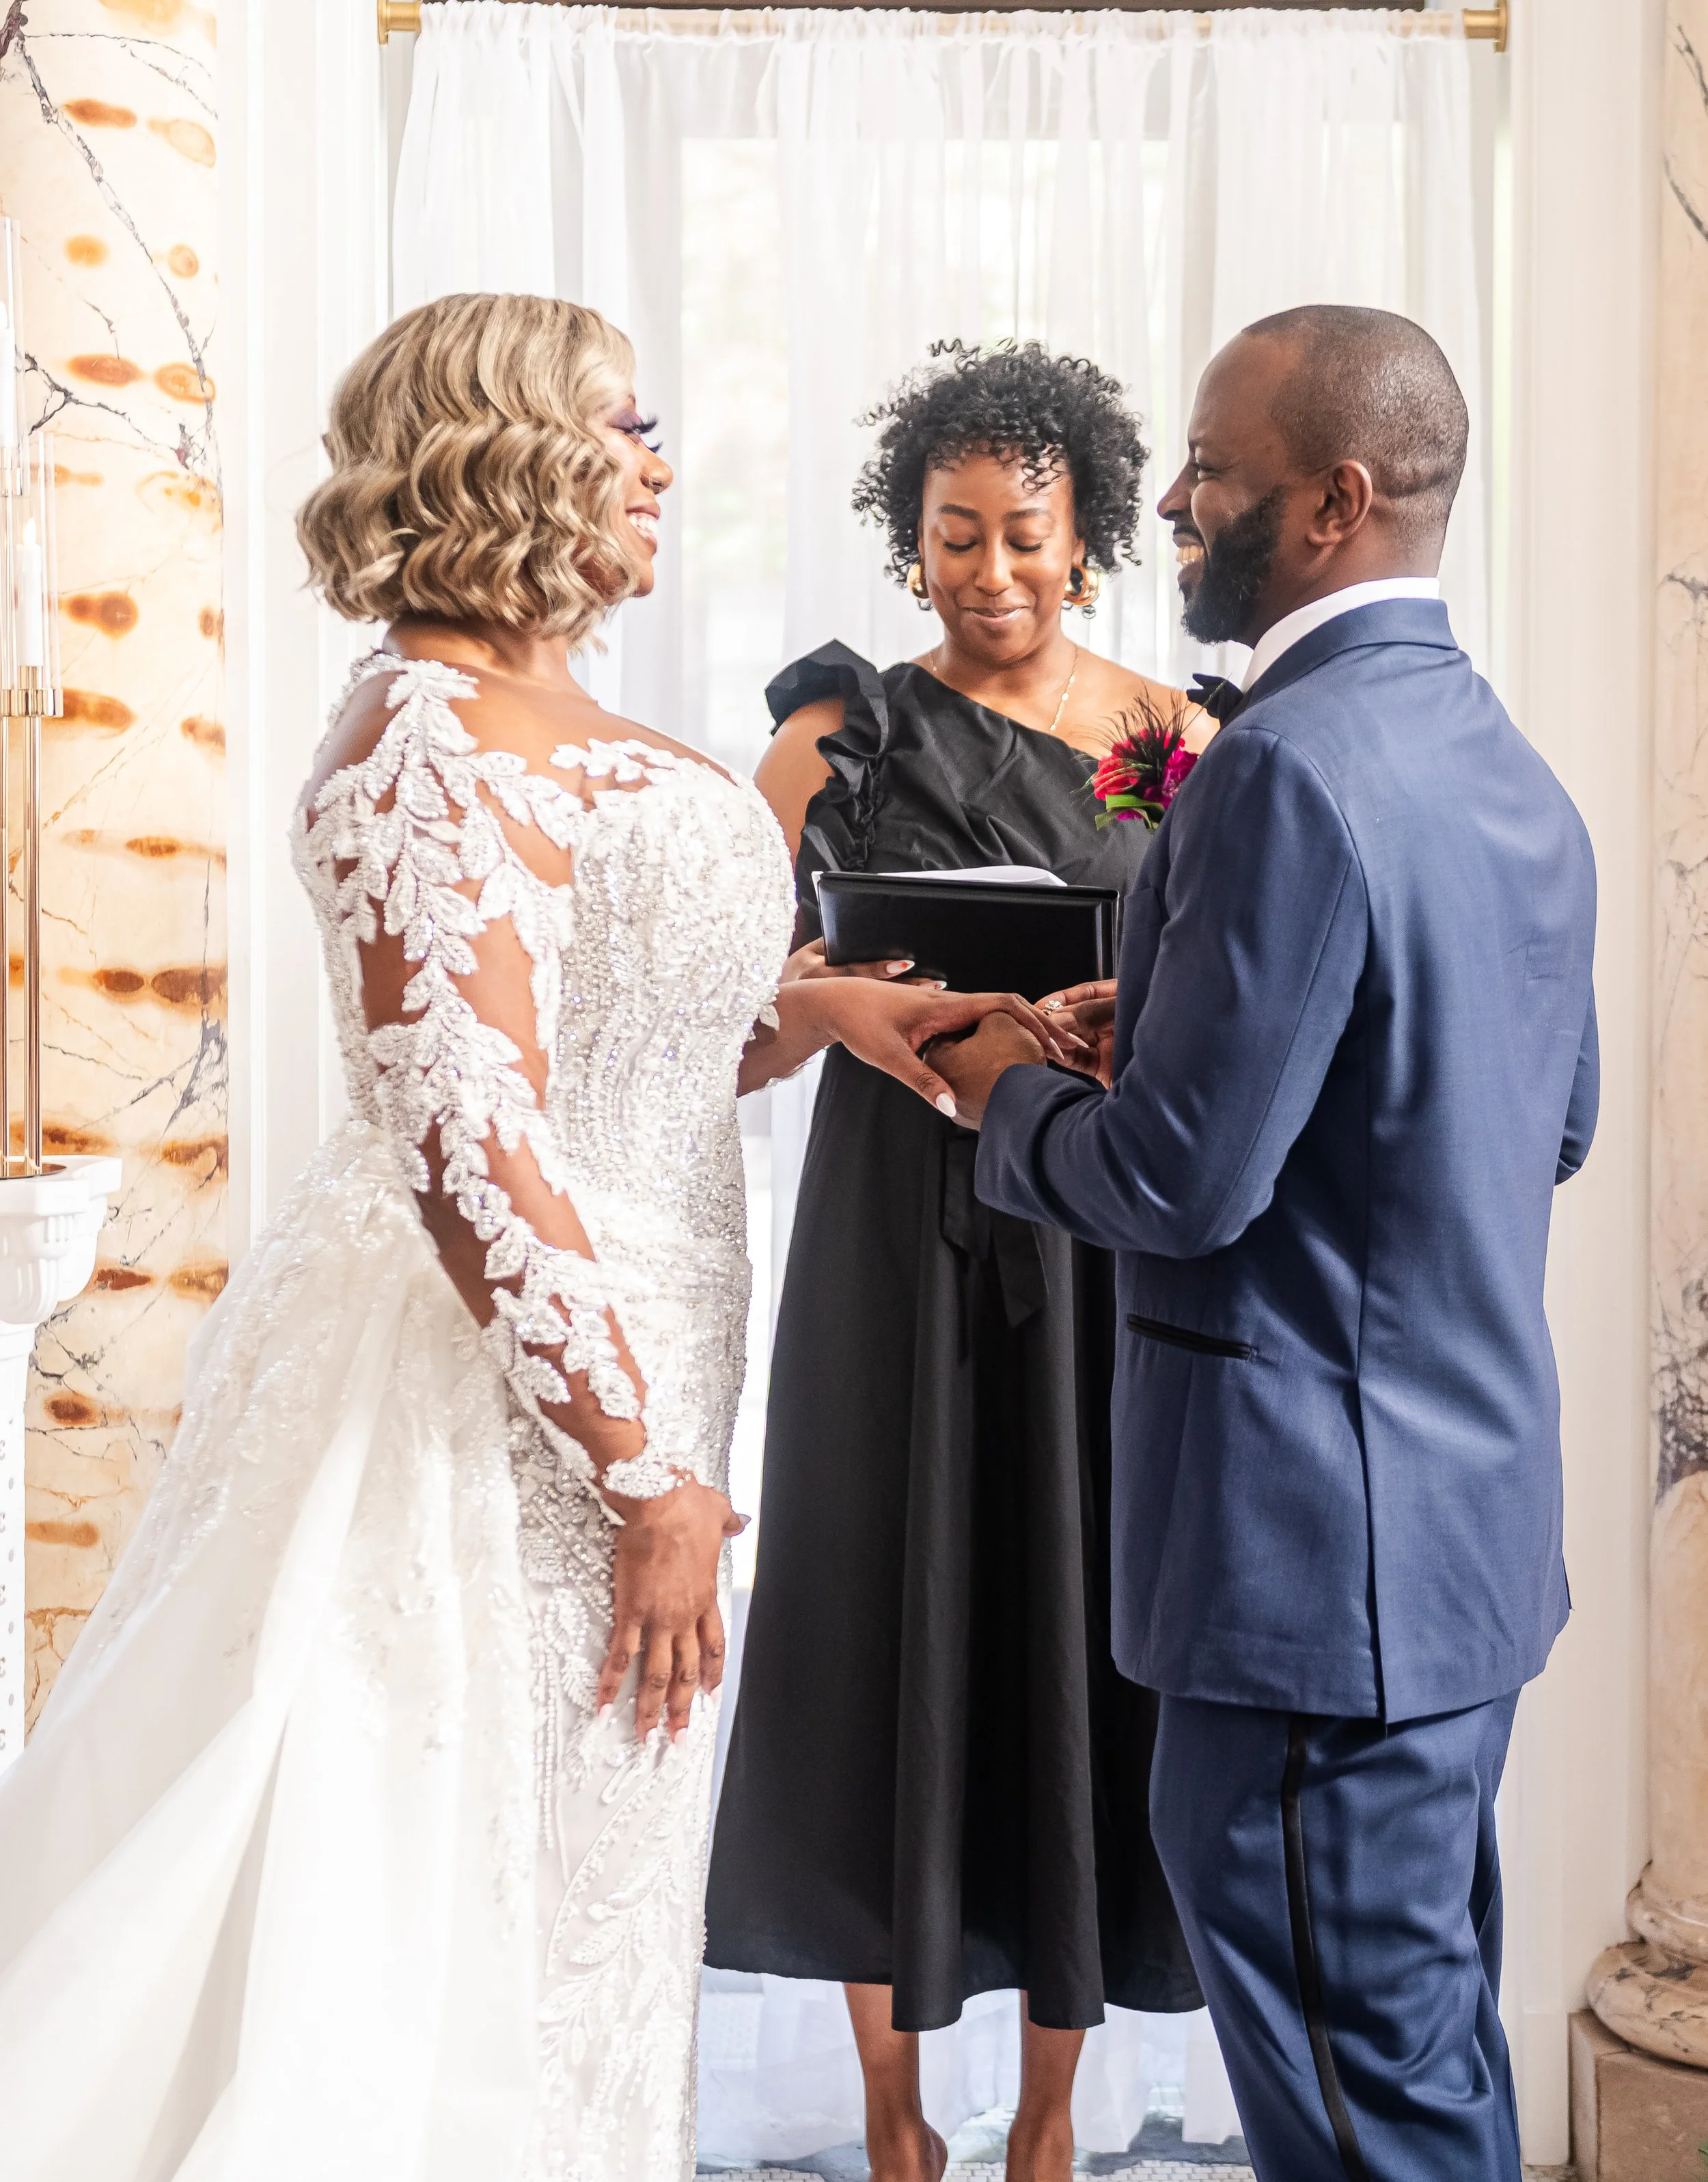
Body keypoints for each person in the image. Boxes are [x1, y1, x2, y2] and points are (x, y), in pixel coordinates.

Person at [0, 293, 1070, 2182]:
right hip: (501, 1415)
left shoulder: (545, 714)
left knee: (598, 1888)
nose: (659, 465)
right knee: (476, 1885)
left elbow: (613, 1051)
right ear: (505, 450)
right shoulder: (421, 737)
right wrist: (643, 1472)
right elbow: (472, 1146)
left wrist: (817, 1012)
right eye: (623, 427)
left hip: (623, 1373)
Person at [926, 305, 1599, 2182]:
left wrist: (994, 1086)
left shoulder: (1283, 767)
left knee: (1359, 2107)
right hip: (1456, 1547)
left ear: (1333, 501)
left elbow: (1178, 1189)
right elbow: (1531, 1122)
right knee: (1415, 2057)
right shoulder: (1506, 764)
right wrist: (1177, 1034)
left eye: (1213, 472)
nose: (1174, 506)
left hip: (1309, 1564)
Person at [705, 341, 1204, 2182]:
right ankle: (891, 2109)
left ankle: (1051, 2121)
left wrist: (1109, 1034)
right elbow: (720, 1019)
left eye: (1026, 534)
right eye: (954, 534)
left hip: (1090, 1225)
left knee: (1082, 1619)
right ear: (906, 536)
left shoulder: (1167, 742)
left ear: (1087, 539)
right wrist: (834, 1010)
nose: (991, 572)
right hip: (882, 1245)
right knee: (871, 1619)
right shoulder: (838, 735)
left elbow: (1228, 982)